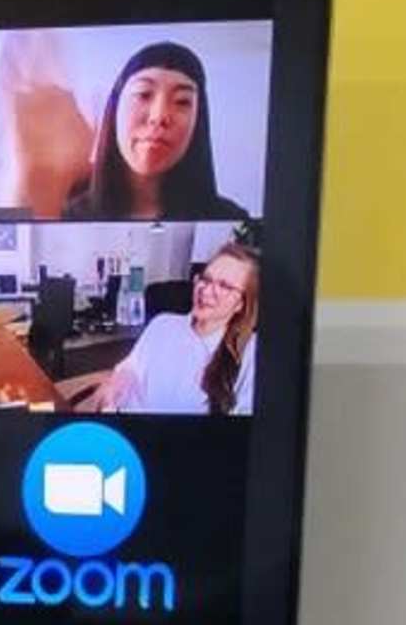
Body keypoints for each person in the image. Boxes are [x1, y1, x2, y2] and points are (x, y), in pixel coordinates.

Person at [59, 41, 250, 225]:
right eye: (143, 94)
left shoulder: (231, 222)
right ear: (115, 109)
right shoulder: (69, 217)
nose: (159, 116)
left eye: (182, 101)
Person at [88, 238, 263, 415]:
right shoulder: (163, 324)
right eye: (205, 279)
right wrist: (113, 386)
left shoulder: (251, 353)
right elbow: (131, 369)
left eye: (224, 286)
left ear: (241, 303)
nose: (206, 291)